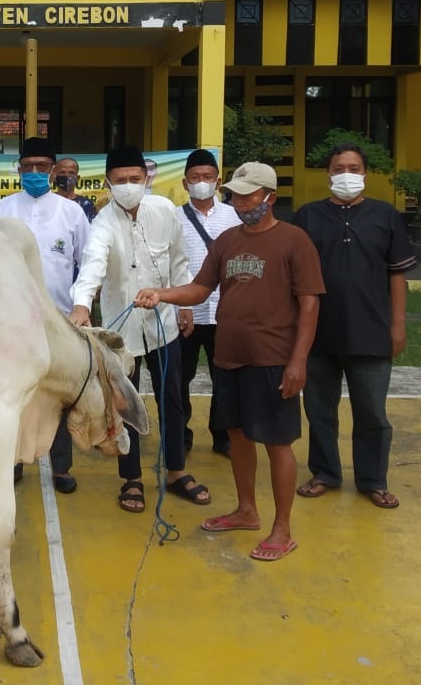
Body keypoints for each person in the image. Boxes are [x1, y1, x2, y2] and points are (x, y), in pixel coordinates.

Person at [135, 161, 323, 562]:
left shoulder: (294, 241)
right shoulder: (227, 241)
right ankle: (246, 510)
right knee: (237, 435)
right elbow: (201, 289)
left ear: (269, 197)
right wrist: (161, 294)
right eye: (235, 195)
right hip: (230, 357)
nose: (238, 202)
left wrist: (298, 361)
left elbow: (309, 305)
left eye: (247, 195)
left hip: (273, 359)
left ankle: (282, 528)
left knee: (276, 443)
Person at [69, 145, 209, 513]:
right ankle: (131, 479)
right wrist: (83, 304)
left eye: (135, 179)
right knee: (124, 406)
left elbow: (179, 260)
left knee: (173, 401)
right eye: (120, 180)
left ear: (146, 178)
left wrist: (184, 305)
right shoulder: (102, 224)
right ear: (108, 182)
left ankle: (176, 472)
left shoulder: (163, 210)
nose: (129, 185)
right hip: (124, 335)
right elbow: (92, 266)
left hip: (164, 323)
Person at [293, 144, 417, 510]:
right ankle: (325, 473)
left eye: (354, 167)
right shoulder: (307, 217)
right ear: (328, 174)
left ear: (364, 173)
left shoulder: (386, 216)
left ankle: (373, 480)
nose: (346, 173)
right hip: (319, 333)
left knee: (373, 413)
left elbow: (397, 276)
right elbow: (295, 279)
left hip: (372, 332)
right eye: (339, 167)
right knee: (319, 410)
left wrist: (398, 325)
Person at [0, 136, 90, 494]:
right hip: (10, 320)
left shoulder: (71, 212)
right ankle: (13, 459)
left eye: (41, 167)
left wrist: (82, 306)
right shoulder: (2, 209)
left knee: (58, 393)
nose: (34, 173)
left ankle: (61, 466)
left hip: (59, 319)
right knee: (15, 393)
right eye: (27, 167)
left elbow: (87, 265)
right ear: (18, 169)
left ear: (54, 170)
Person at [175, 148, 241, 458]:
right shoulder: (174, 218)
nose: (202, 182)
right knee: (181, 378)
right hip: (186, 313)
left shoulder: (234, 216)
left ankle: (222, 434)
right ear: (185, 182)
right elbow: (170, 264)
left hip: (226, 312)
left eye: (208, 177)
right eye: (195, 178)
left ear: (218, 181)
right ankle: (182, 434)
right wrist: (179, 306)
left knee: (224, 378)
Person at [53, 156, 97, 221]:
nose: (66, 176)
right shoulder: (46, 202)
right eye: (62, 172)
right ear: (54, 177)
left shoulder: (86, 204)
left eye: (71, 173)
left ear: (77, 178)